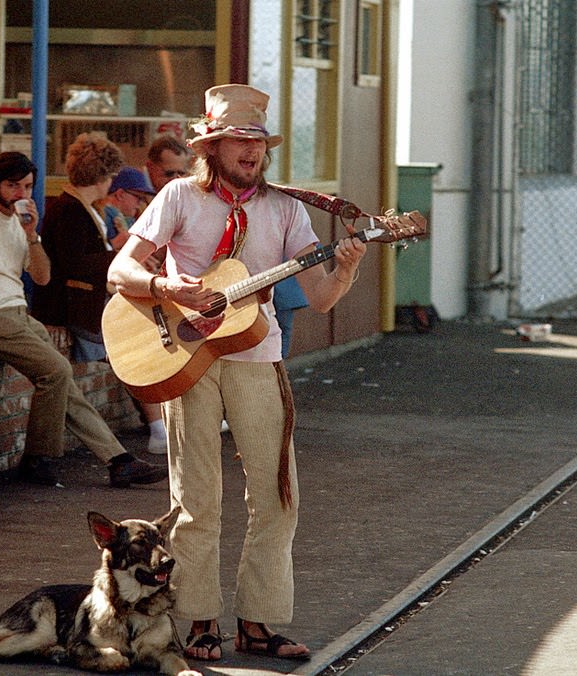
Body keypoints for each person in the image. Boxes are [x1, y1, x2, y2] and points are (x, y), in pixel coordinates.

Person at [107, 84, 367, 662]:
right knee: (196, 498)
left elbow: (320, 298)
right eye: (238, 140)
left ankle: (259, 623)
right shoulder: (178, 196)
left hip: (257, 356)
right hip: (185, 359)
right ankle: (199, 620)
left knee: (279, 496)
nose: (251, 151)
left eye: (258, 141)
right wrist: (165, 285)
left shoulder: (286, 207)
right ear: (213, 145)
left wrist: (346, 268)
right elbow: (121, 270)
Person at [0, 151, 166, 489]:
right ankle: (37, 457)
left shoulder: (23, 223)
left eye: (28, 186)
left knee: (65, 384)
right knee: (57, 371)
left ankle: (118, 461)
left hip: (18, 314)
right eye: (12, 186)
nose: (21, 194)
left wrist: (31, 235)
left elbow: (43, 277)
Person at [31, 131, 123, 364]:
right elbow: (74, 263)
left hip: (79, 306)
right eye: (111, 177)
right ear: (101, 178)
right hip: (71, 309)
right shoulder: (71, 210)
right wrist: (116, 256)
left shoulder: (77, 206)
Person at [98, 166, 167, 454]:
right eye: (137, 197)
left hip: (122, 296)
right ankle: (157, 427)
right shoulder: (109, 215)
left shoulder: (126, 218)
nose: (140, 204)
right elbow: (108, 257)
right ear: (119, 193)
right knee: (145, 348)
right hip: (107, 301)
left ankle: (162, 423)